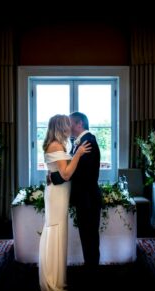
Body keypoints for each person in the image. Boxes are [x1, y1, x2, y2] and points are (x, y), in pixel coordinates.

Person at [39, 114, 91, 291]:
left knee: (59, 231)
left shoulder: (58, 144)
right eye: (67, 125)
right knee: (55, 230)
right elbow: (66, 174)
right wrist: (77, 155)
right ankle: (52, 279)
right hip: (56, 196)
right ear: (61, 127)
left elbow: (59, 171)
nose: (70, 127)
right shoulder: (55, 145)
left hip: (60, 193)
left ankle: (57, 277)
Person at [51, 112, 102, 273]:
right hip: (84, 199)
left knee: (90, 239)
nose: (67, 126)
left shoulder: (88, 143)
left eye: (70, 123)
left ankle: (92, 273)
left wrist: (53, 177)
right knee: (87, 238)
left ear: (79, 124)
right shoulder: (81, 143)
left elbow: (76, 172)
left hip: (88, 199)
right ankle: (90, 269)